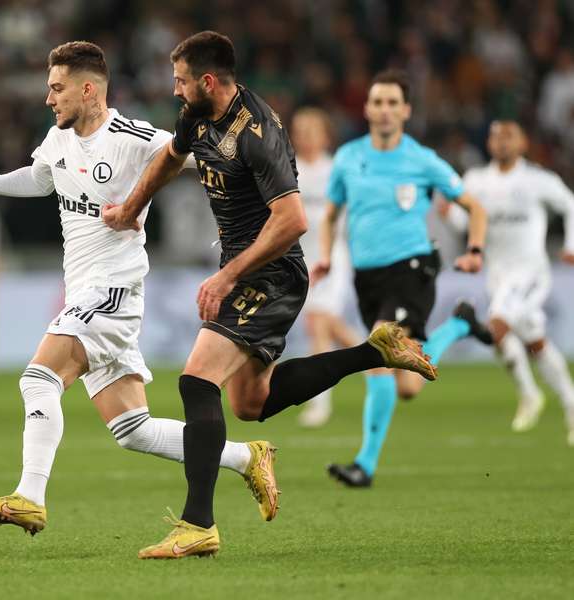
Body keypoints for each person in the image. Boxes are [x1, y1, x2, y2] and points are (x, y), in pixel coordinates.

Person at [103, 31, 436, 559]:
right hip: (249, 268)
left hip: (271, 272)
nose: (175, 90)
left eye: (181, 80)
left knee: (196, 381)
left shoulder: (258, 133)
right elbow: (171, 157)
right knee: (250, 403)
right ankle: (375, 352)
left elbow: (293, 220)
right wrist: (128, 208)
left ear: (207, 81)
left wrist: (227, 275)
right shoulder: (198, 113)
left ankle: (198, 524)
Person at [0, 41, 275, 537]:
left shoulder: (132, 137)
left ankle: (29, 496)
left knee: (37, 380)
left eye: (57, 88)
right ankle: (246, 457)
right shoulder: (58, 138)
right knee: (133, 430)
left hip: (112, 292)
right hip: (84, 294)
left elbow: (201, 160)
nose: (49, 98)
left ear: (88, 89)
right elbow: (41, 179)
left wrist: (255, 199)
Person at [314, 69, 491, 488]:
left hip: (411, 269)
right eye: (378, 102)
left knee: (378, 349)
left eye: (393, 102)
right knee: (407, 385)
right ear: (367, 108)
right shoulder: (348, 157)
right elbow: (331, 215)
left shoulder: (422, 159)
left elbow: (474, 207)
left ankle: (365, 465)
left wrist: (475, 251)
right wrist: (324, 256)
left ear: (407, 110)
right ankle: (460, 324)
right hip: (367, 277)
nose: (385, 109)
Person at [441, 120, 574, 444]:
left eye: (509, 136)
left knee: (496, 327)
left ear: (523, 143)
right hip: (497, 273)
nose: (502, 142)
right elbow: (464, 221)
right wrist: (449, 212)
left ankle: (528, 392)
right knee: (534, 339)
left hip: (530, 272)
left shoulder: (538, 179)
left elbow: (570, 204)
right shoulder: (476, 180)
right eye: (496, 136)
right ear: (489, 144)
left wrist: (571, 245)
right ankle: (568, 403)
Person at [291, 107, 362, 428]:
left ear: (325, 135)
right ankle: (377, 358)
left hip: (331, 258)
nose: (305, 136)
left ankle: (319, 403)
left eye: (311, 130)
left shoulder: (338, 170)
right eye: (300, 130)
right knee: (325, 325)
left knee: (318, 324)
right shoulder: (287, 170)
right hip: (298, 260)